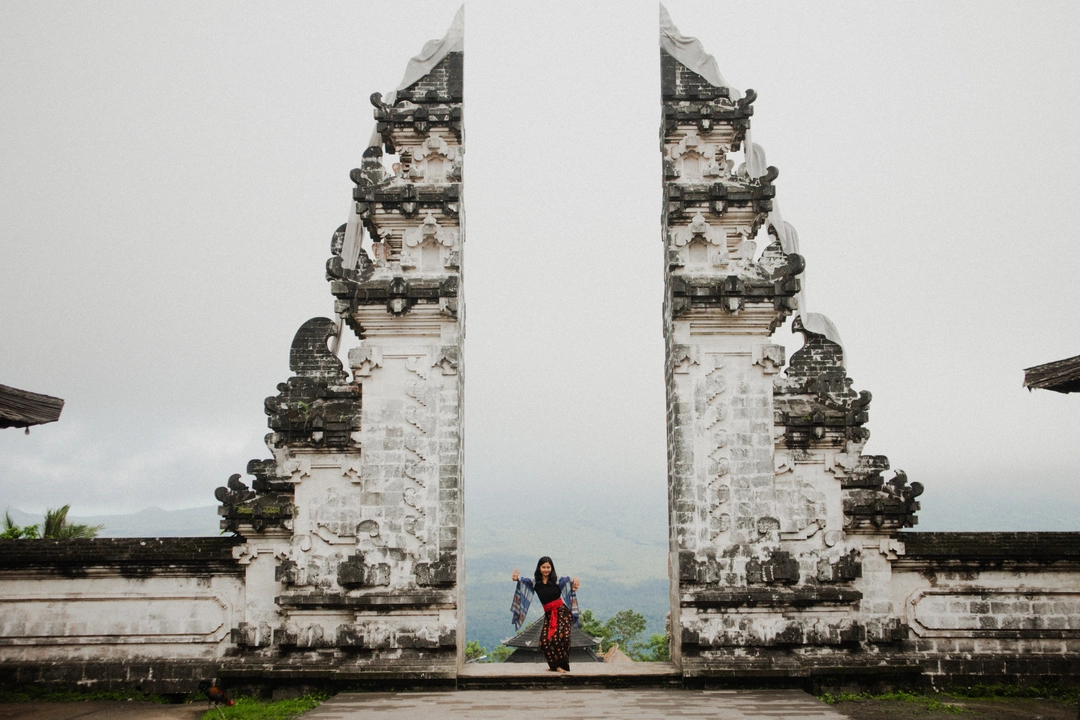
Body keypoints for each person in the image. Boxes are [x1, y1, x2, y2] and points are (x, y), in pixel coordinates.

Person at [511, 556, 581, 672]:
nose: (546, 570)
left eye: (548, 567)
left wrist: (575, 583)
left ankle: (562, 666)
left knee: (561, 637)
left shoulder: (558, 581)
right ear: (539, 568)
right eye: (544, 567)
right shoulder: (535, 583)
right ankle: (554, 665)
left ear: (552, 568)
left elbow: (571, 582)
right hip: (549, 614)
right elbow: (523, 582)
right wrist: (516, 579)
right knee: (544, 641)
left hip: (562, 612)